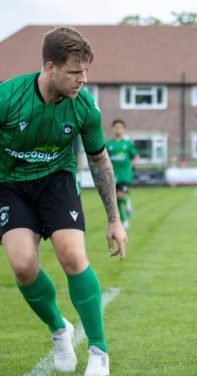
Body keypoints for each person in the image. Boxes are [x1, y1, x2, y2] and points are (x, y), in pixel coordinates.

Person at [0, 27, 127, 376]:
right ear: (50, 67)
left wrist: (114, 219)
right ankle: (59, 329)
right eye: (75, 72)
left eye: (86, 71)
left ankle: (99, 352)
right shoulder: (7, 98)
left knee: (72, 254)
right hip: (9, 184)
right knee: (23, 266)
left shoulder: (85, 107)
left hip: (56, 180)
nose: (83, 80)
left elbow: (100, 161)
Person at [106, 119, 138, 229]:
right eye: (116, 127)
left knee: (120, 196)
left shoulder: (127, 144)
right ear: (113, 129)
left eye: (120, 127)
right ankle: (124, 221)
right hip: (113, 175)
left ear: (123, 129)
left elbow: (135, 157)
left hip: (125, 174)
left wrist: (134, 165)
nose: (118, 129)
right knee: (115, 201)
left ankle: (126, 201)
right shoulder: (109, 144)